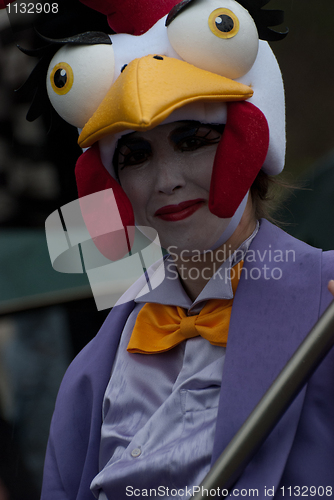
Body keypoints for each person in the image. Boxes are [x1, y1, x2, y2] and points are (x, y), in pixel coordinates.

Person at [2, 0, 334, 498]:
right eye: (135, 154)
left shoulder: (324, 308)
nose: (166, 182)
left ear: (250, 139)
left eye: (192, 139)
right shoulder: (91, 371)